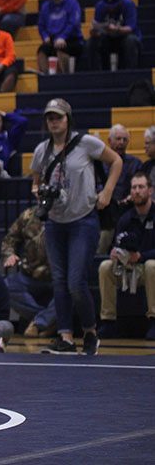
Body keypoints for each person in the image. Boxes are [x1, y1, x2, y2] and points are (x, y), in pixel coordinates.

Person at [31, 98, 122, 356]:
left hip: (83, 219)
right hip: (56, 223)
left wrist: (107, 192)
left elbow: (116, 161)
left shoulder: (86, 143)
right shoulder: (42, 150)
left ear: (68, 118)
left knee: (75, 281)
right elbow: (35, 181)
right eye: (50, 117)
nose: (54, 121)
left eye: (58, 117)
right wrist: (40, 193)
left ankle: (90, 331)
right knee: (58, 281)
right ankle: (66, 337)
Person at [97, 172, 155, 341]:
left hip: (148, 268)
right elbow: (117, 243)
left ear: (150, 190)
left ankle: (153, 319)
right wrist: (116, 253)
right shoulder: (126, 218)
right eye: (134, 187)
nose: (137, 191)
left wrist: (141, 256)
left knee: (152, 265)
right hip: (129, 267)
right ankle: (108, 321)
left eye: (141, 187)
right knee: (105, 266)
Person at [1, 207, 55, 337]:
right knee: (5, 286)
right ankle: (49, 321)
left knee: (73, 287)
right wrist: (10, 254)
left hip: (57, 278)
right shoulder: (27, 215)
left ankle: (39, 323)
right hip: (30, 275)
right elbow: (10, 239)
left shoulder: (68, 214)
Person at [99, 124, 143, 252]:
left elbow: (140, 185)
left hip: (128, 210)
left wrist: (131, 196)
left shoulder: (136, 163)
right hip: (104, 212)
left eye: (125, 140)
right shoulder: (99, 162)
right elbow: (95, 185)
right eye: (118, 139)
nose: (121, 143)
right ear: (109, 141)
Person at [36, 0, 84, 74]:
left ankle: (64, 75)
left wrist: (63, 37)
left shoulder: (72, 3)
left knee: (61, 48)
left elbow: (74, 23)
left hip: (71, 39)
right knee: (42, 50)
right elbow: (41, 25)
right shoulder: (46, 6)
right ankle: (45, 75)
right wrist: (45, 36)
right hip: (53, 39)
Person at [89, 0, 142, 70]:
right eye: (108, 5)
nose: (111, 8)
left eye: (114, 5)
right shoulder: (100, 6)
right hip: (108, 38)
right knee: (92, 42)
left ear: (120, 0)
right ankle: (98, 74)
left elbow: (130, 28)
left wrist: (116, 29)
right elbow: (97, 26)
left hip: (125, 37)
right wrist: (94, 32)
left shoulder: (128, 4)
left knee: (131, 41)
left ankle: (131, 73)